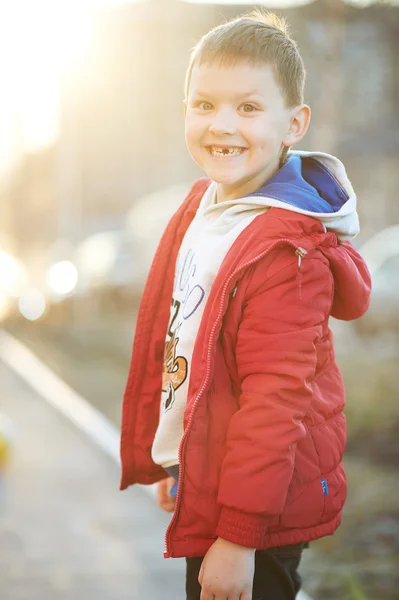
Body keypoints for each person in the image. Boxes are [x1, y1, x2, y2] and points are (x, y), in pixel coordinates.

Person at [120, 9, 371, 600]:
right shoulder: (205, 205)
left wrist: (237, 538)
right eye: (204, 104)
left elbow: (275, 403)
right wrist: (178, 459)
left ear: (294, 124)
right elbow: (184, 336)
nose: (222, 124)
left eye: (249, 108)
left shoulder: (286, 252)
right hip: (217, 482)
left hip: (262, 513)